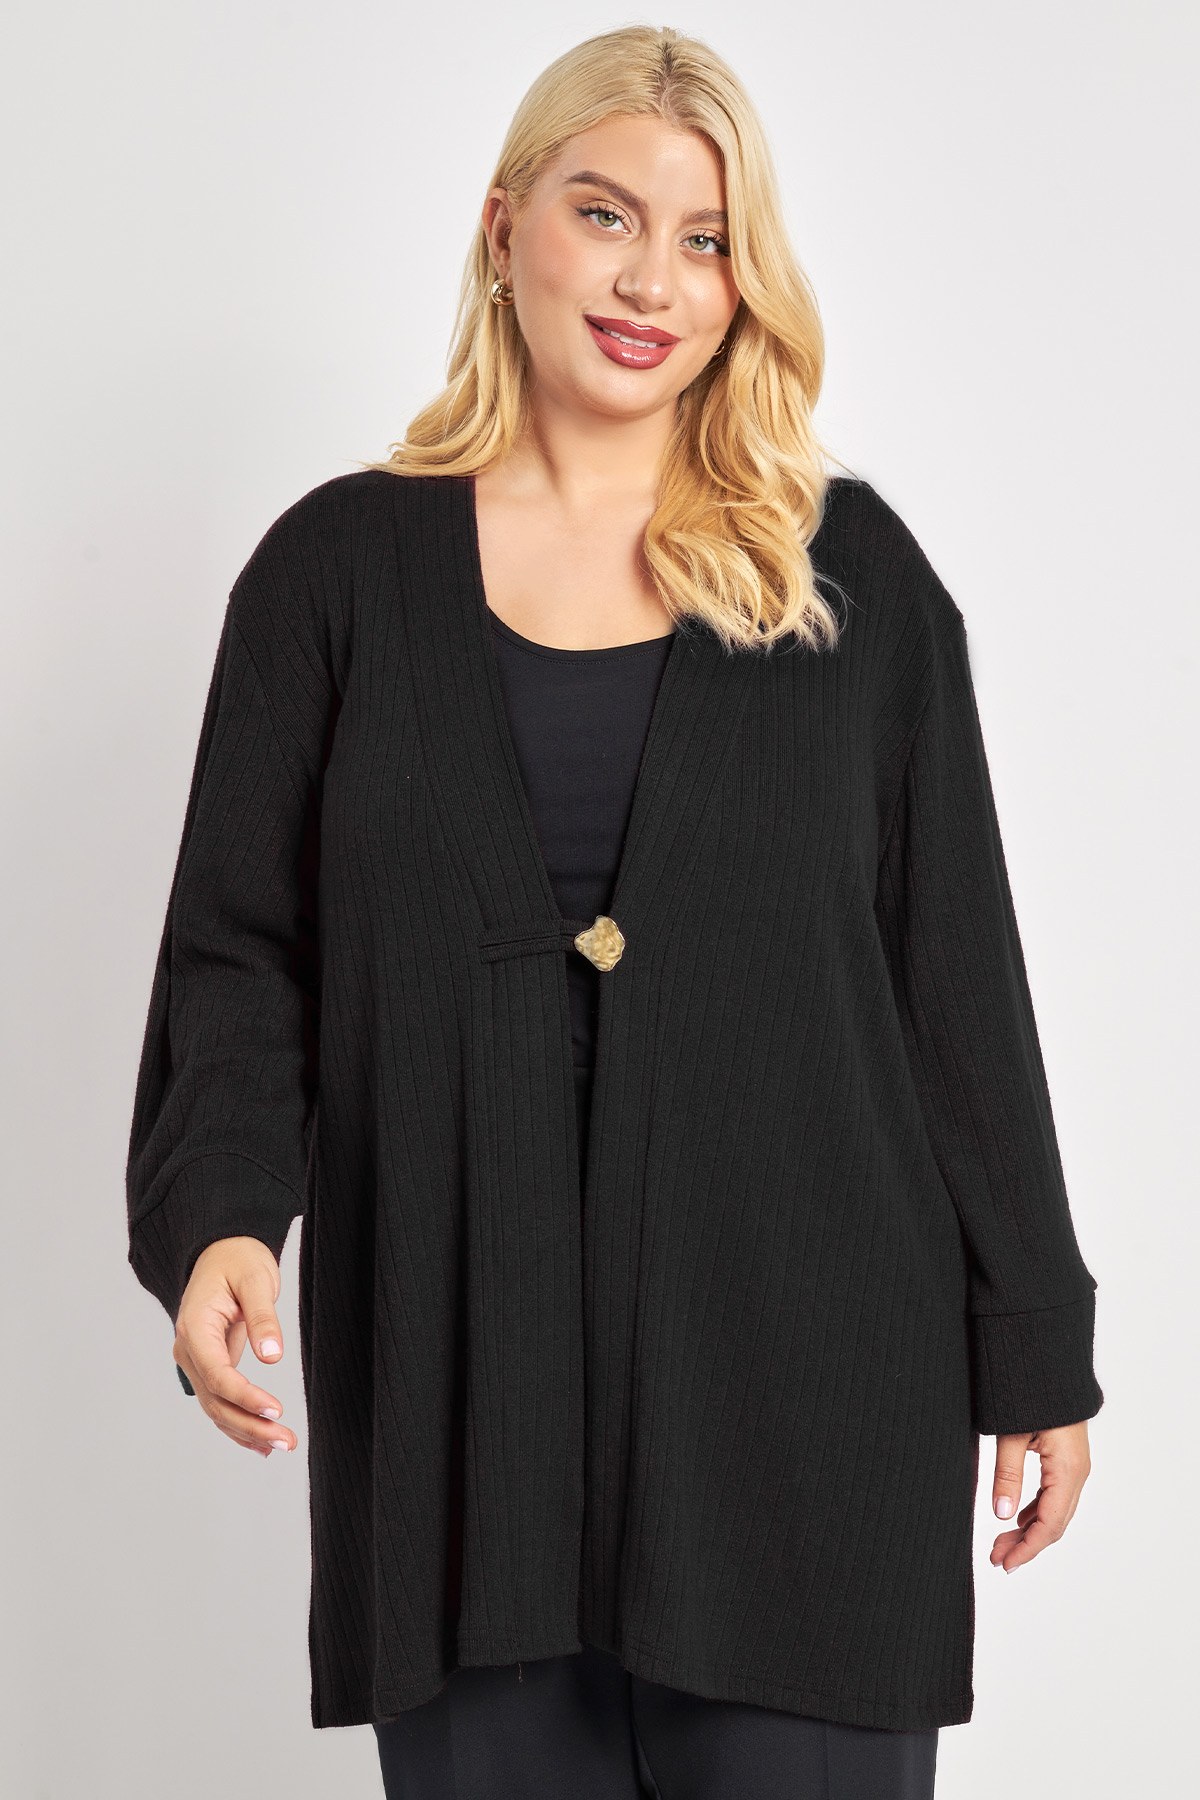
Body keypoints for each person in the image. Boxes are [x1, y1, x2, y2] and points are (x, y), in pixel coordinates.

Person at [124, 25, 1103, 1800]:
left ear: (746, 283)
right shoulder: (334, 578)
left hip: (809, 1439)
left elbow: (957, 982)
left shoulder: (852, 585)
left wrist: (1034, 1342)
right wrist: (220, 1218)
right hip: (462, 1455)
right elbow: (240, 952)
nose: (655, 281)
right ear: (505, 227)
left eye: (707, 239)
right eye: (605, 214)